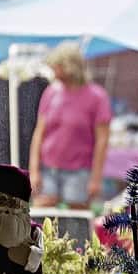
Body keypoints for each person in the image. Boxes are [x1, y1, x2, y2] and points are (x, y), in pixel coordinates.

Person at [28, 42, 112, 209]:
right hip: (48, 170)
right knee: (43, 217)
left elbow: (102, 141)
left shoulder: (97, 96)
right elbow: (39, 134)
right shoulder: (51, 92)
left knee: (75, 221)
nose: (53, 70)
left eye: (57, 66)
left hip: (79, 173)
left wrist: (95, 179)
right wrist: (34, 170)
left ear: (69, 67)